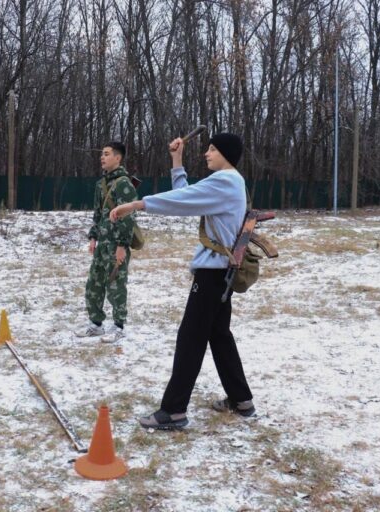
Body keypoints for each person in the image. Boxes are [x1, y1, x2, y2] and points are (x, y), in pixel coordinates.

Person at [110, 132, 256, 429]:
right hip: (220, 274)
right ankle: (242, 400)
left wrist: (138, 205)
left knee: (190, 339)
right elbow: (188, 197)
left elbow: (181, 200)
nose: (206, 153)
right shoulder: (229, 182)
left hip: (213, 273)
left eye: (213, 149)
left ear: (226, 154)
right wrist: (177, 161)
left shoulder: (226, 181)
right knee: (219, 336)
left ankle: (174, 411)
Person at [75, 141, 138, 343]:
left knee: (116, 286)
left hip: (116, 245)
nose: (102, 157)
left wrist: (121, 246)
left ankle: (118, 326)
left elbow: (128, 217)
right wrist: (93, 237)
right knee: (94, 284)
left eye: (107, 154)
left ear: (118, 158)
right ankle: (96, 324)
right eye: (102, 154)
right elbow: (97, 214)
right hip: (102, 244)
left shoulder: (124, 184)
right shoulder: (101, 184)